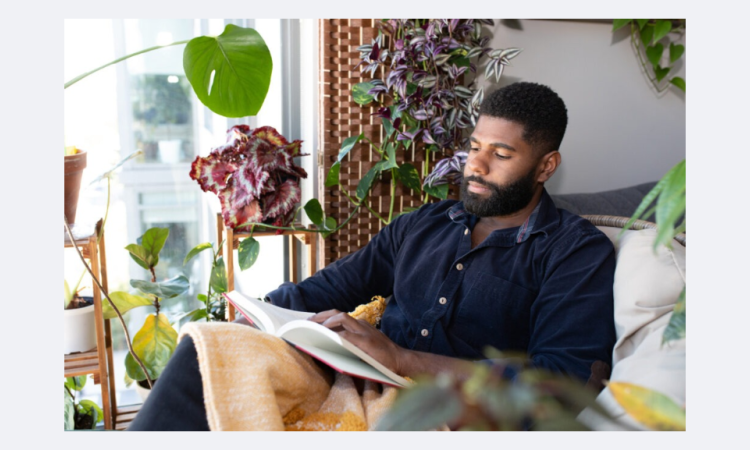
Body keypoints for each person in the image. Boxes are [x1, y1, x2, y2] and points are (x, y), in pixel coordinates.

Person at [129, 82, 616, 431]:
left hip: (448, 415)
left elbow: (559, 384)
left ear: (545, 165)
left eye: (501, 154)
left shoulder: (575, 251)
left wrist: (402, 357)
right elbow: (326, 289)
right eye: (473, 147)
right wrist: (260, 314)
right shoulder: (424, 224)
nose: (477, 165)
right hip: (357, 380)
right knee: (208, 347)